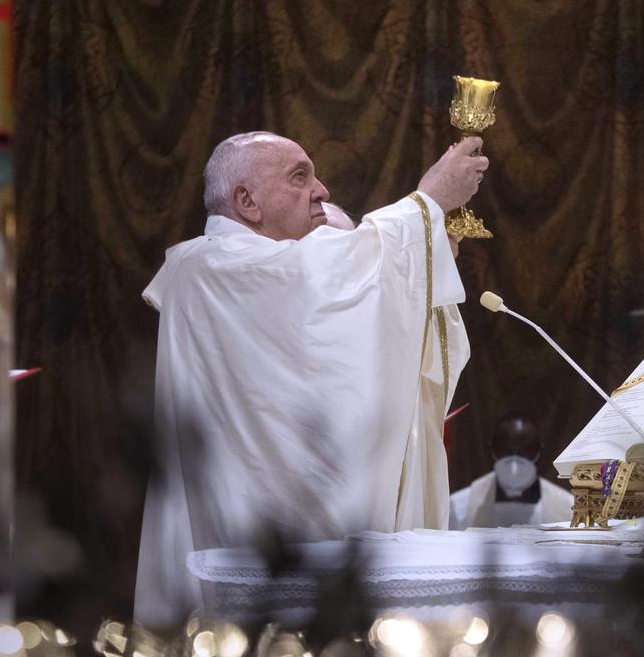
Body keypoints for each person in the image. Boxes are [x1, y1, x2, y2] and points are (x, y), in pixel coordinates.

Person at [135, 131, 488, 627]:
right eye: (300, 177)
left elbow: (343, 314)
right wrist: (427, 204)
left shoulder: (257, 269)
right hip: (248, 548)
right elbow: (321, 282)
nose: (320, 189)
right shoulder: (208, 265)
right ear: (245, 200)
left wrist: (423, 267)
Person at [449, 413, 573, 529]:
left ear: (539, 450)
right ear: (492, 448)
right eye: (506, 450)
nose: (515, 459)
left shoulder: (568, 507)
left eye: (525, 449)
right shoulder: (460, 506)